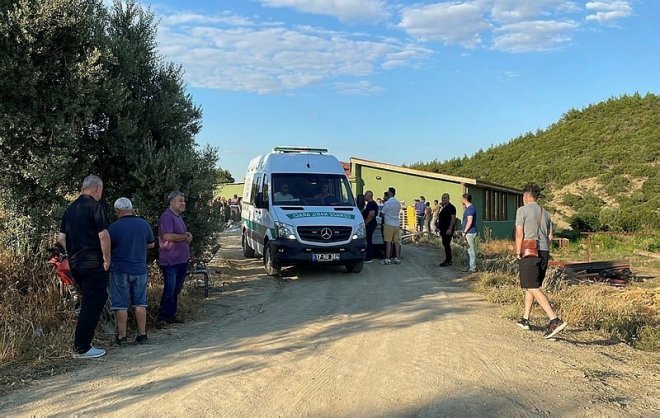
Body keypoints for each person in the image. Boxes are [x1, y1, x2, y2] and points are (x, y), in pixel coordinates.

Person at [57, 175, 111, 359]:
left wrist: (73, 251)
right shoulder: (95, 206)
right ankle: (83, 347)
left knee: (88, 300)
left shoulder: (70, 209)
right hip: (92, 262)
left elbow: (61, 238)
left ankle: (83, 343)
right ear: (97, 188)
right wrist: (106, 259)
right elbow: (103, 235)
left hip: (75, 263)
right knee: (94, 301)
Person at [515, 184, 567, 339]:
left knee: (531, 285)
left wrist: (518, 251)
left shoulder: (522, 210)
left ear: (526, 196)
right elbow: (550, 236)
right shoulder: (545, 212)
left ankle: (554, 320)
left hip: (529, 250)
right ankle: (525, 319)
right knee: (532, 285)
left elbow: (519, 233)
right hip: (544, 251)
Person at [108, 198, 155, 346]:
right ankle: (142, 335)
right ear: (131, 208)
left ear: (117, 210)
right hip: (139, 268)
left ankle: (122, 337)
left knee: (120, 304)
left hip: (119, 269)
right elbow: (151, 244)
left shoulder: (113, 227)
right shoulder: (144, 224)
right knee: (140, 302)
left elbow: (107, 246)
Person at [157, 191, 192, 328]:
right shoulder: (167, 216)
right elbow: (167, 236)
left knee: (176, 289)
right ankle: (162, 318)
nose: (183, 203)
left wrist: (187, 235)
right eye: (180, 200)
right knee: (170, 289)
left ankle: (171, 314)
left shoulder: (178, 217)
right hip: (170, 261)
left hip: (181, 260)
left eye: (184, 200)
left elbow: (180, 234)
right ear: (171, 202)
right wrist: (185, 236)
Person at [380, 187, 402, 265]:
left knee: (388, 242)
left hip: (389, 224)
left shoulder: (387, 203)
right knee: (396, 242)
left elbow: (382, 213)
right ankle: (397, 258)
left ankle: (387, 259)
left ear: (389, 193)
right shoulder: (398, 203)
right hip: (397, 224)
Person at [437, 193, 457, 267]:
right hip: (443, 229)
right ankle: (448, 259)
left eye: (445, 198)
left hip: (448, 229)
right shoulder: (443, 207)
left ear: (448, 199)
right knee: (445, 243)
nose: (443, 199)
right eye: (442, 198)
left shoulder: (451, 207)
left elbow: (453, 218)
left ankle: (448, 260)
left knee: (446, 244)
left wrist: (450, 228)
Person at [461, 193, 478, 273]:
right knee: (467, 251)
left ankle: (472, 268)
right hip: (468, 232)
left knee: (471, 251)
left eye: (462, 199)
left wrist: (465, 231)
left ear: (465, 199)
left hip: (470, 232)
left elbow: (469, 222)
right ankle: (469, 266)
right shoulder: (468, 209)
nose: (461, 200)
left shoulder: (470, 209)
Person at [362, 191, 378, 263]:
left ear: (369, 196)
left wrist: (365, 223)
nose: (364, 196)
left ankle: (368, 257)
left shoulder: (371, 204)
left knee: (368, 240)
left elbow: (371, 215)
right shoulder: (369, 204)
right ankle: (368, 256)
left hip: (369, 225)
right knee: (368, 240)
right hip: (370, 224)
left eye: (365, 195)